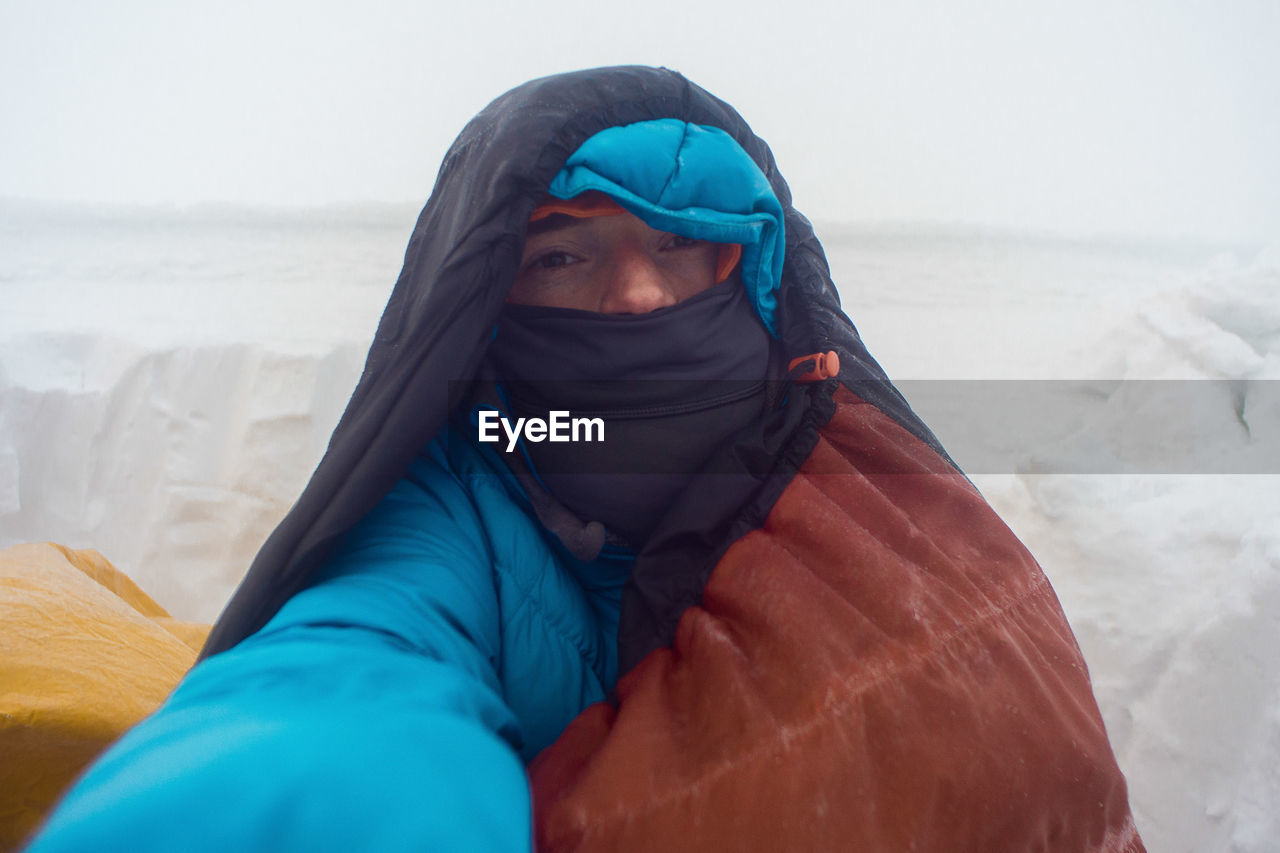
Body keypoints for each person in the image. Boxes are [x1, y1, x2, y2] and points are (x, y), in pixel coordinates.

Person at [27, 66, 1143, 852]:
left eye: (677, 246)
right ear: (483, 303)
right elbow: (352, 671)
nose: (637, 294)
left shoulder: (857, 486)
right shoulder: (459, 502)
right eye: (563, 253)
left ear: (754, 279)